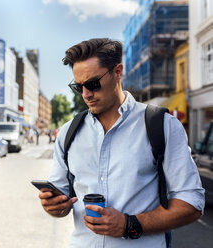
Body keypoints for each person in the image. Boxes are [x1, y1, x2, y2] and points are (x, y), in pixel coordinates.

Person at [38, 38, 205, 247]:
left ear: (118, 72)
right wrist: (54, 206)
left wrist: (130, 224)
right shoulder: (67, 133)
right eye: (78, 87)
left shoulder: (162, 125)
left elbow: (192, 203)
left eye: (92, 84)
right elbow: (61, 200)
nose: (86, 95)